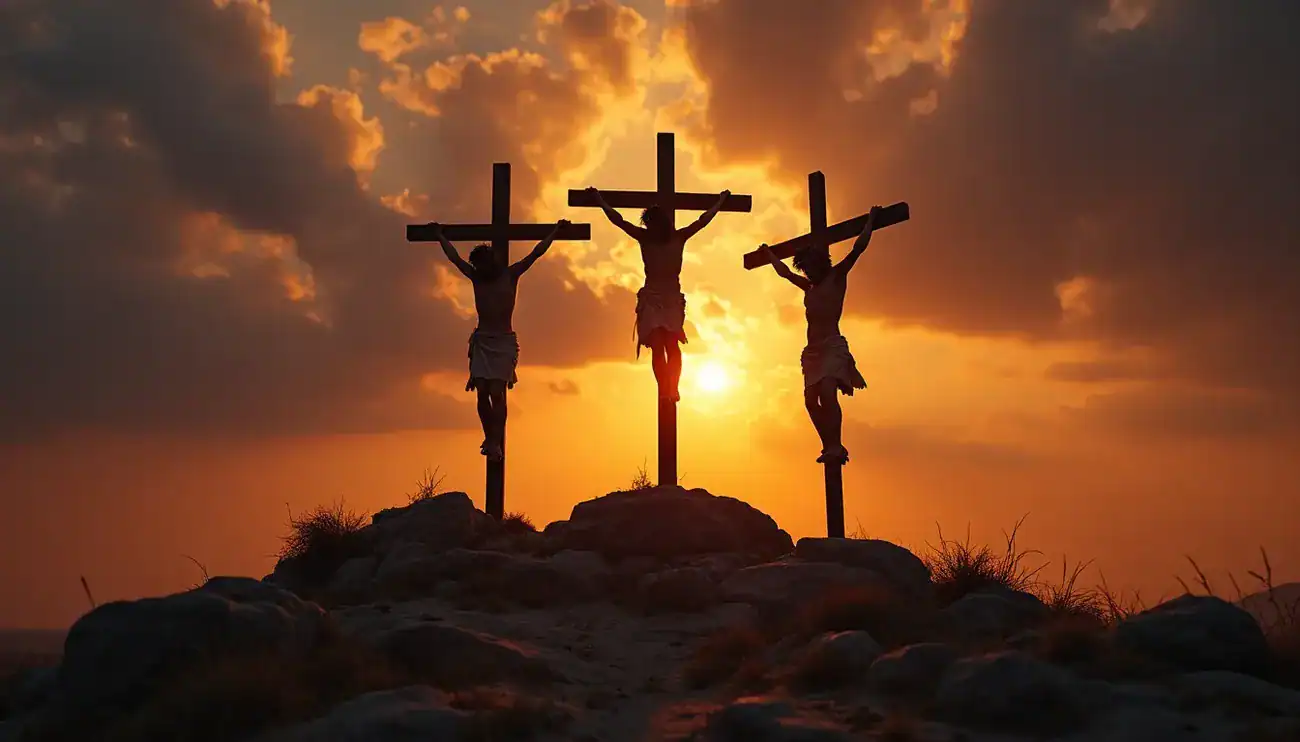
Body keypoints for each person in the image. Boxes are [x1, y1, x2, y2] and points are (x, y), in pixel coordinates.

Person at [428, 219, 569, 461]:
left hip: (503, 341)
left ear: (492, 260)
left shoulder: (510, 274)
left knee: (496, 391)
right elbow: (454, 258)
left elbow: (536, 253)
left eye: (484, 263)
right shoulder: (476, 277)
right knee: (481, 391)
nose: (481, 268)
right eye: (478, 265)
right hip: (483, 340)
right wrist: (441, 236)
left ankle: (495, 440)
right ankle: (490, 439)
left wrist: (555, 232)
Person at [759, 206, 882, 464]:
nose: (809, 274)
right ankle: (828, 445)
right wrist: (769, 254)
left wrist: (870, 219)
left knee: (827, 393)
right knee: (810, 401)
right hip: (813, 351)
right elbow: (785, 273)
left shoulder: (837, 276)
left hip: (832, 346)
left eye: (811, 269)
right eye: (807, 271)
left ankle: (836, 444)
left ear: (820, 264)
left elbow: (858, 249)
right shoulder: (808, 286)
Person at [584, 186, 730, 401]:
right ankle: (665, 388)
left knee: (671, 345)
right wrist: (599, 200)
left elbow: (703, 221)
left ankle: (673, 387)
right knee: (659, 346)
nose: (652, 227)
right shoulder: (648, 237)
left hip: (669, 298)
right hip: (653, 298)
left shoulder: (676, 237)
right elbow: (618, 220)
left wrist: (719, 203)